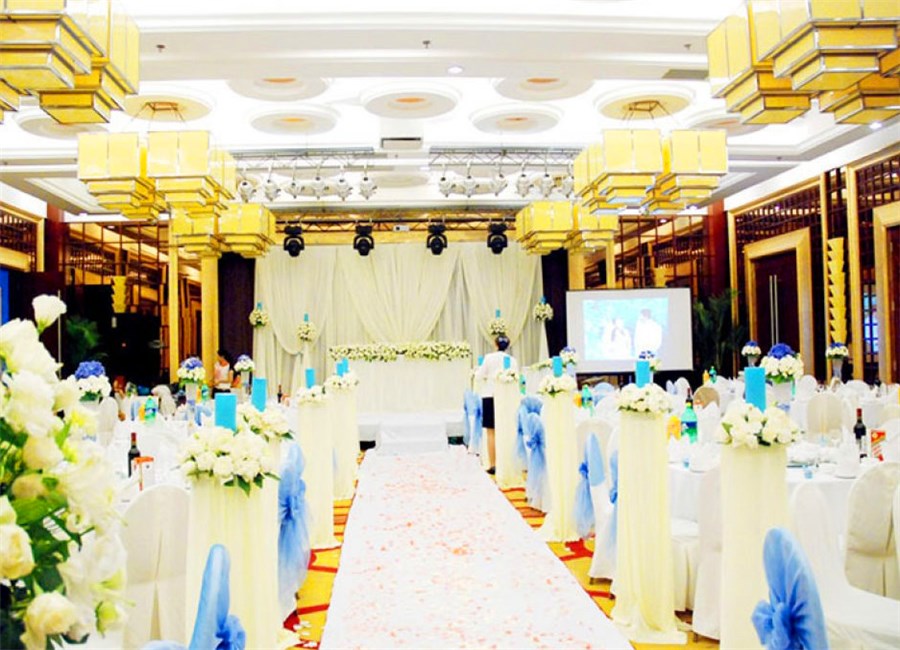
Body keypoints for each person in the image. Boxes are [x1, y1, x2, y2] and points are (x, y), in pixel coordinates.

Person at [474, 335, 519, 475]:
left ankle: (493, 465)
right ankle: (507, 464)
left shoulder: (489, 358)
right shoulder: (512, 360)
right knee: (506, 429)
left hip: (490, 396)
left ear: (495, 344)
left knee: (491, 432)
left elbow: (479, 376)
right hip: (506, 398)